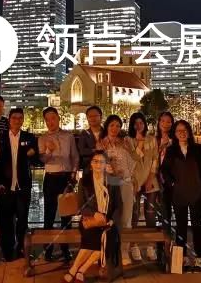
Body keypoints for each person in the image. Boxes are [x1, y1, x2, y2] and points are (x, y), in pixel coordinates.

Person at [161, 120, 201, 273]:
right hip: (179, 193)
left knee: (197, 226)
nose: (182, 133)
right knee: (180, 227)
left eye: (184, 130)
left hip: (196, 192)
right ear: (175, 134)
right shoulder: (171, 150)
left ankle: (198, 258)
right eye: (178, 131)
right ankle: (182, 258)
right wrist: (172, 184)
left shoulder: (199, 149)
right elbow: (164, 170)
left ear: (189, 132)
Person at [64, 150, 122, 282]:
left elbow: (119, 205)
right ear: (91, 164)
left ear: (106, 164)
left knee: (106, 239)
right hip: (90, 219)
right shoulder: (84, 181)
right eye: (95, 161)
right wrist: (94, 214)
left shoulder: (113, 181)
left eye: (101, 162)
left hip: (108, 221)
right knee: (93, 238)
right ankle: (77, 270)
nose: (98, 164)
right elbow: (81, 205)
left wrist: (112, 220)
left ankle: (77, 270)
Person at [0, 108, 38, 261]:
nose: (17, 121)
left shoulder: (29, 137)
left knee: (22, 219)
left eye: (20, 118)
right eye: (14, 118)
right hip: (5, 186)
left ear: (23, 120)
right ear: (9, 119)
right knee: (5, 220)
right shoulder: (0, 137)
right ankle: (7, 250)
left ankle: (20, 247)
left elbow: (36, 159)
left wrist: (33, 154)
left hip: (23, 185)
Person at [38, 106, 80, 262]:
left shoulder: (68, 136)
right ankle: (47, 250)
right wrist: (49, 151)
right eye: (47, 119)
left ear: (58, 118)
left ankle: (65, 249)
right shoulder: (42, 138)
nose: (50, 122)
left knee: (66, 216)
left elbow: (75, 156)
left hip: (66, 178)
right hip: (50, 178)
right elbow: (43, 160)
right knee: (49, 215)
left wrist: (74, 173)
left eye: (53, 118)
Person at [97, 114, 139, 266]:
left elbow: (135, 160)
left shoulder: (125, 142)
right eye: (112, 125)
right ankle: (108, 251)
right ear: (107, 127)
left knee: (126, 217)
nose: (115, 128)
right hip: (109, 184)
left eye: (118, 126)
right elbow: (97, 165)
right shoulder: (101, 144)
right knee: (110, 217)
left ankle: (124, 251)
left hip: (126, 182)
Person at [128, 112, 159, 262]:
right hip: (133, 181)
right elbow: (133, 158)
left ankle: (151, 246)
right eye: (135, 123)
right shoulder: (128, 140)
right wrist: (139, 142)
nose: (139, 126)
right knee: (133, 214)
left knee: (150, 213)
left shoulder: (152, 139)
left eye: (141, 123)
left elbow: (155, 159)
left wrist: (150, 178)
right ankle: (133, 245)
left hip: (150, 180)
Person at [155, 111, 175, 255]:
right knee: (162, 213)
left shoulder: (175, 139)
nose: (165, 124)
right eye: (162, 121)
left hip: (173, 181)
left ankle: (173, 246)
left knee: (172, 213)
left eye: (168, 121)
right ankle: (163, 245)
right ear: (158, 123)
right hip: (158, 180)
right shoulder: (154, 140)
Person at [78, 106, 104, 174]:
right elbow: (82, 151)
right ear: (87, 118)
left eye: (95, 116)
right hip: (89, 169)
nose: (93, 118)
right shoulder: (84, 134)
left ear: (101, 117)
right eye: (90, 116)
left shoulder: (106, 132)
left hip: (105, 169)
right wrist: (95, 150)